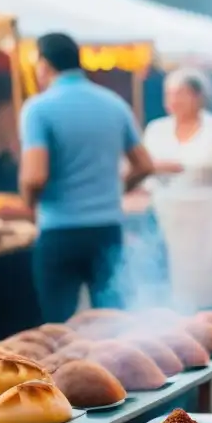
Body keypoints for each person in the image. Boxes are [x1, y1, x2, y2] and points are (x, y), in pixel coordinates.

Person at [19, 32, 154, 322]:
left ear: (43, 64)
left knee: (59, 328)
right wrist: (116, 190)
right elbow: (144, 164)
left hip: (59, 231)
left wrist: (29, 205)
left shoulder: (38, 109)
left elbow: (34, 177)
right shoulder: (114, 103)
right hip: (107, 228)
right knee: (114, 323)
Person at [143, 68, 212, 312]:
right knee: (169, 282)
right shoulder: (156, 129)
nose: (173, 101)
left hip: (205, 216)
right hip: (166, 213)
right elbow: (143, 170)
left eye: (181, 94)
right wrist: (159, 167)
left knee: (206, 284)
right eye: (169, 94)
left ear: (198, 97)